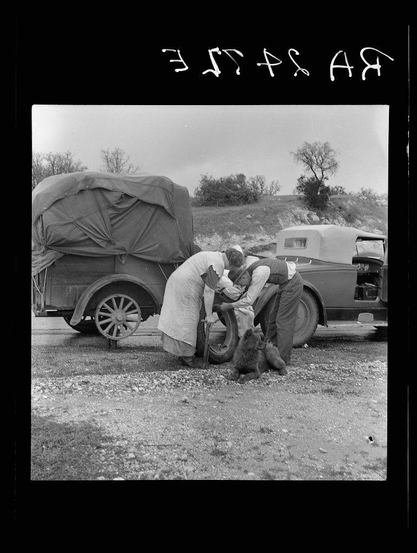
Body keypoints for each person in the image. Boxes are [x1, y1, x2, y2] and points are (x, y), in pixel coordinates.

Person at [158, 248, 245, 367]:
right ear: (231, 263)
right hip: (185, 287)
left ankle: (182, 354)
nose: (230, 270)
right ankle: (186, 358)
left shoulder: (214, 256)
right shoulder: (217, 264)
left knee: (180, 319)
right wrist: (209, 315)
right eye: (233, 268)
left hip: (178, 282)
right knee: (189, 321)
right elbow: (209, 290)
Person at [219, 257, 303, 366]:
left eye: (240, 283)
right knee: (272, 319)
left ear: (243, 276)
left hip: (292, 284)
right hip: (284, 285)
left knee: (283, 321)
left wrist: (230, 305)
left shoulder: (259, 273)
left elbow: (249, 300)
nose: (241, 286)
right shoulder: (253, 270)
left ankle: (282, 359)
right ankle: (269, 351)